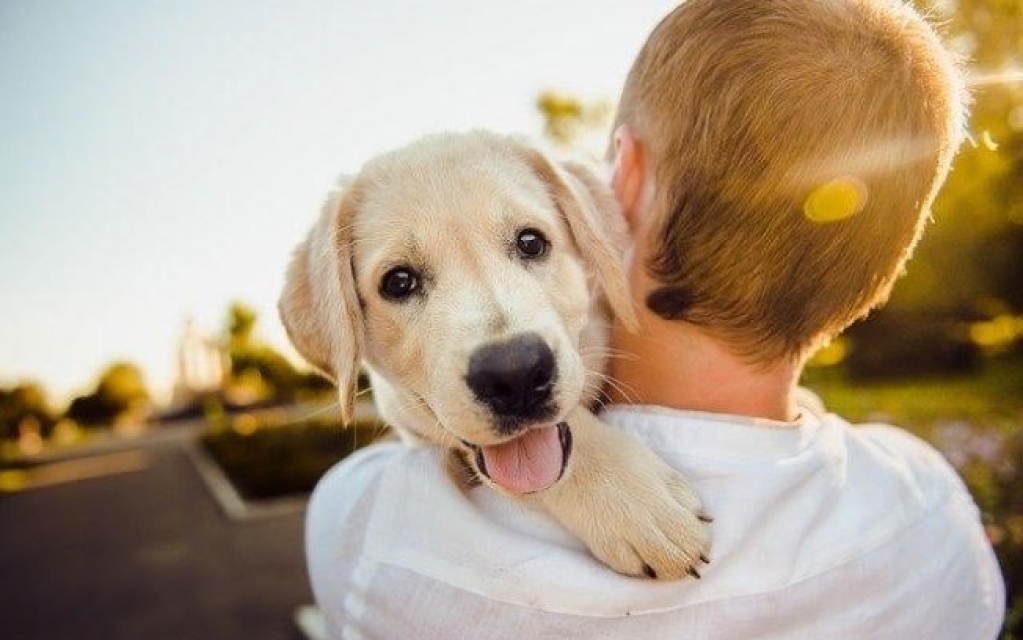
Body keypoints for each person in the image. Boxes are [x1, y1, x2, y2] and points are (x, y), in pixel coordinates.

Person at [305, 0, 1006, 637]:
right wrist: (582, 462)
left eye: (529, 244)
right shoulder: (928, 510)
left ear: (621, 184)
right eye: (401, 281)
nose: (504, 342)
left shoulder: (373, 531)